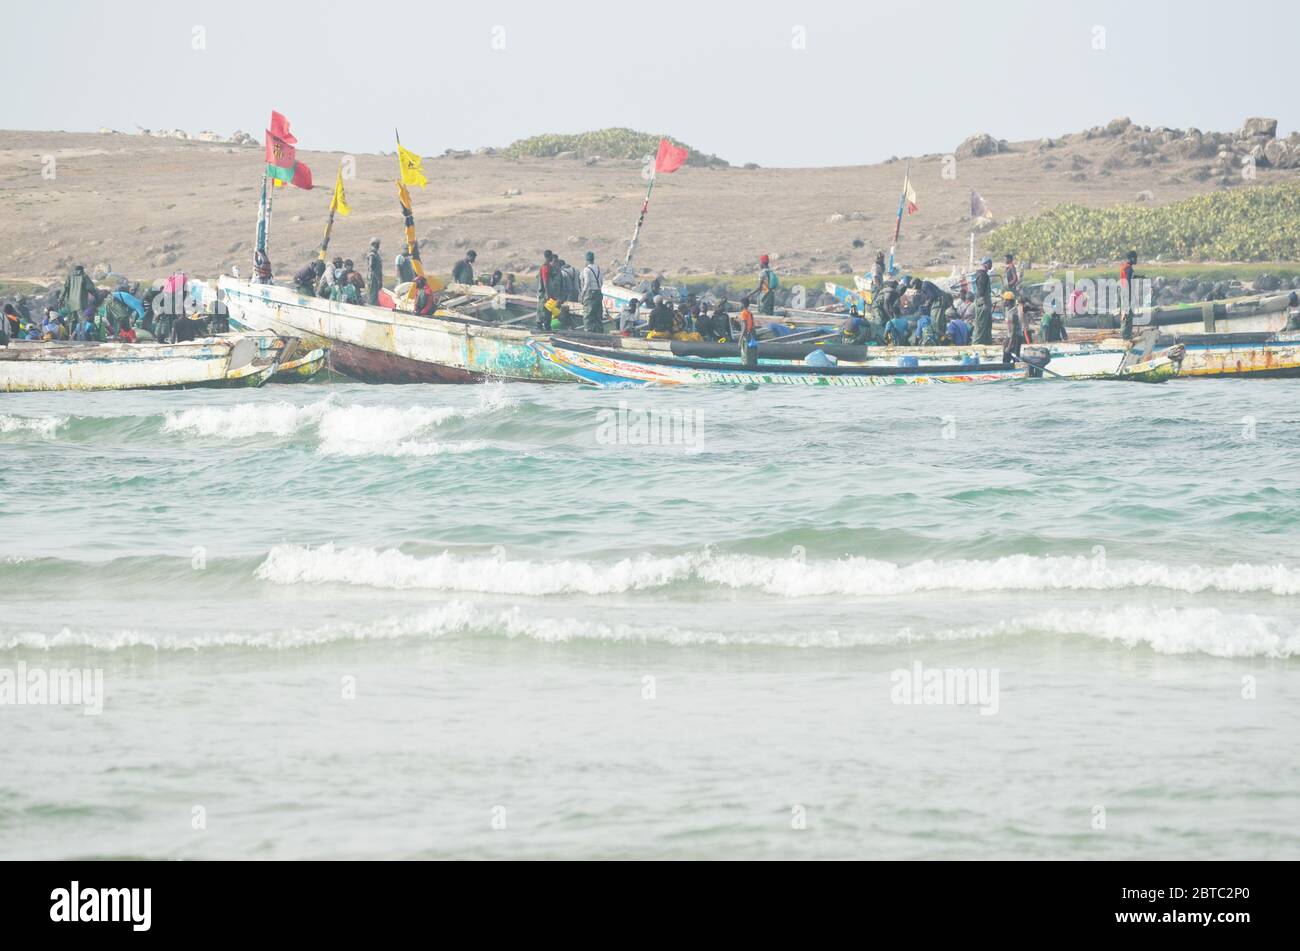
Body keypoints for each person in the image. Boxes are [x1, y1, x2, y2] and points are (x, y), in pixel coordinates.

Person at [579, 251, 603, 332]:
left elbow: (587, 283)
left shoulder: (586, 269)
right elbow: (601, 282)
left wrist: (582, 295)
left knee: (588, 315)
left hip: (590, 294)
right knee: (598, 315)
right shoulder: (599, 268)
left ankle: (588, 332)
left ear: (586, 260)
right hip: (599, 293)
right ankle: (599, 333)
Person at [973, 257, 994, 344]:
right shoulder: (982, 275)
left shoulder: (984, 274)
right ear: (986, 264)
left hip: (985, 303)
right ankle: (976, 344)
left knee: (987, 325)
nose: (991, 266)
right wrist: (984, 304)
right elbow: (981, 291)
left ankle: (987, 344)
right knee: (981, 326)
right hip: (982, 304)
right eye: (990, 264)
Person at [1119, 250, 1138, 340]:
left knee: (1126, 314)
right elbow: (1127, 282)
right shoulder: (1128, 268)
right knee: (1127, 315)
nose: (1136, 260)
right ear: (1132, 258)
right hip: (1126, 293)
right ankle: (1126, 337)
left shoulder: (1126, 267)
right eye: (1135, 258)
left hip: (1124, 292)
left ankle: (1126, 335)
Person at [536, 251, 557, 330]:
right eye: (551, 256)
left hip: (549, 292)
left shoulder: (549, 266)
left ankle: (547, 326)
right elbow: (545, 280)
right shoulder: (545, 267)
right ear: (548, 257)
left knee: (548, 310)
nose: (552, 257)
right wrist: (547, 293)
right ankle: (541, 327)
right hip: (545, 293)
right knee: (543, 310)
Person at [737, 296, 759, 366]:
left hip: (746, 336)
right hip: (751, 335)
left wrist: (740, 340)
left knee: (745, 354)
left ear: (743, 304)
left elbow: (744, 327)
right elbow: (752, 327)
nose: (739, 305)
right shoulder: (750, 313)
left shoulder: (743, 313)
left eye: (740, 304)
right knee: (751, 354)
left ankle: (745, 367)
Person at [366, 238, 384, 305]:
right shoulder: (372, 254)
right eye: (377, 244)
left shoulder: (376, 253)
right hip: (373, 278)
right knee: (372, 295)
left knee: (375, 294)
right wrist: (378, 279)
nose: (378, 246)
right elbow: (371, 266)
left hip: (375, 277)